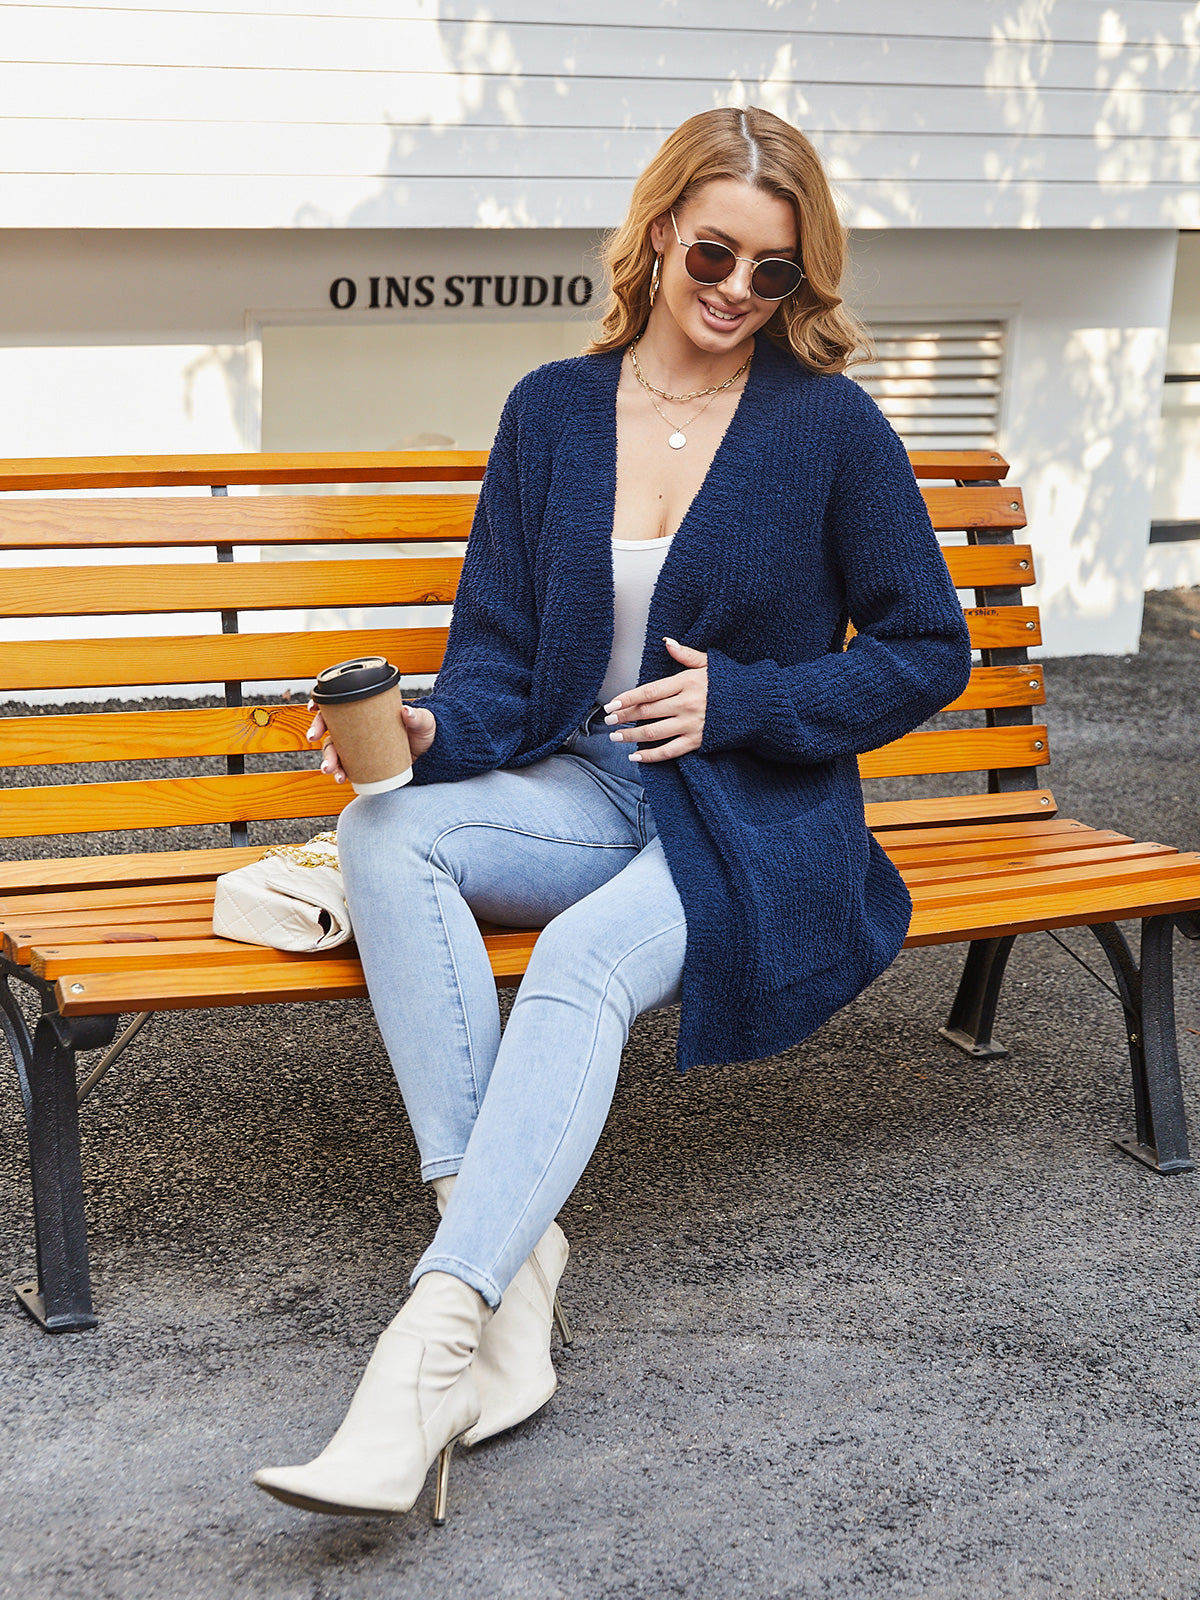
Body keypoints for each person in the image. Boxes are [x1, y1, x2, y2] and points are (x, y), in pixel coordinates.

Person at [254, 105, 972, 1522]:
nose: (736, 293)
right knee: (389, 831)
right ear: (656, 233)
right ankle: (512, 1270)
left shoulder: (825, 425)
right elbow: (505, 664)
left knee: (581, 961)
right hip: (591, 787)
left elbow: (923, 645)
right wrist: (426, 733)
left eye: (776, 273)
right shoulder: (554, 411)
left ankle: (427, 1351)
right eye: (716, 253)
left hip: (756, 814)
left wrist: (752, 703)